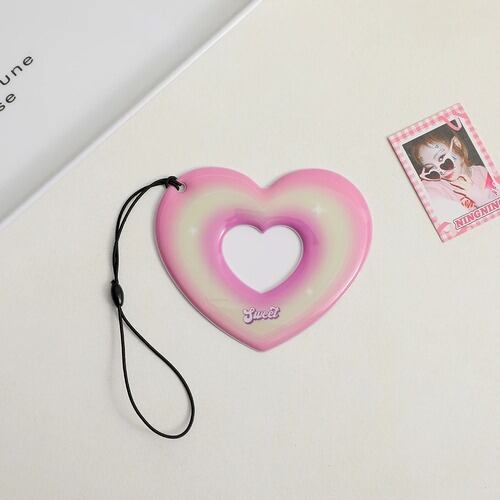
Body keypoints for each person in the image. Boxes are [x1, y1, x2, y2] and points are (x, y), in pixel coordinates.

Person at [409, 128, 498, 223]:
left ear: (457, 144)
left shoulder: (484, 171)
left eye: (441, 158)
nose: (440, 172)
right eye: (431, 169)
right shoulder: (434, 187)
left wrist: (479, 196)